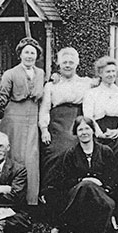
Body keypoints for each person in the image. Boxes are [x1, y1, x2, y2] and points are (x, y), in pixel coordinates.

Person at [43, 116, 118, 233]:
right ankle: (111, 222)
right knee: (85, 186)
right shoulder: (70, 154)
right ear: (76, 133)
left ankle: (62, 224)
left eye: (87, 128)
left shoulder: (105, 152)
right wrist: (82, 181)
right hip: (78, 196)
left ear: (93, 131)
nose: (84, 133)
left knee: (97, 194)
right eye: (80, 130)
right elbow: (64, 181)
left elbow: (113, 179)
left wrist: (100, 184)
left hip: (101, 194)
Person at [0, 37, 45, 206]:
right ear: (20, 54)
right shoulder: (10, 74)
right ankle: (9, 201)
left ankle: (30, 202)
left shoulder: (40, 73)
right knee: (13, 157)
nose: (29, 56)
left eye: (33, 52)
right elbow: (1, 98)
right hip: (13, 118)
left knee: (31, 158)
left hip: (32, 118)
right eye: (26, 52)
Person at [39, 47, 93, 195]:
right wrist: (44, 129)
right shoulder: (51, 85)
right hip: (56, 123)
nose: (68, 65)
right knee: (55, 151)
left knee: (74, 149)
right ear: (59, 64)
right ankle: (50, 193)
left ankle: (74, 191)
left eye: (71, 62)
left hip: (77, 121)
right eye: (64, 62)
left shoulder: (86, 83)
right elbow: (44, 109)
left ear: (77, 64)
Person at [83, 56, 118, 192]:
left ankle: (114, 185)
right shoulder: (92, 93)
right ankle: (101, 184)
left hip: (117, 130)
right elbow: (88, 116)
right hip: (98, 129)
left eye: (113, 71)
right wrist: (99, 132)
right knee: (100, 150)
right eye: (107, 72)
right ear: (100, 74)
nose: (111, 75)